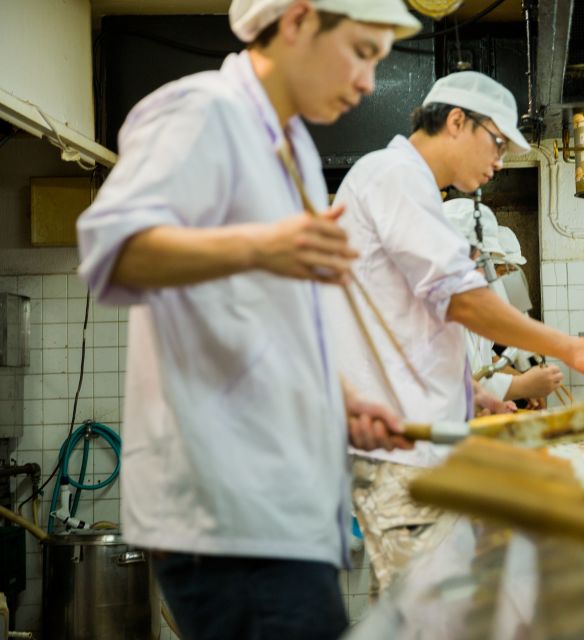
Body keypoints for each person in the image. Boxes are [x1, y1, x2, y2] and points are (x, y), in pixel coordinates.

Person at [75, 1, 421, 638]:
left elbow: (271, 323)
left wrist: (342, 400)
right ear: (295, 21)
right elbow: (110, 252)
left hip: (285, 506)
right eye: (362, 52)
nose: (371, 81)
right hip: (230, 511)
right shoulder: (203, 111)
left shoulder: (292, 153)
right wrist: (262, 245)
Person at [328, 70, 584, 594]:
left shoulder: (408, 185)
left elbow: (407, 321)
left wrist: (473, 391)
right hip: (402, 449)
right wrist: (569, 347)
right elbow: (460, 299)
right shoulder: (393, 176)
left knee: (433, 606)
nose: (500, 160)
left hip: (420, 444)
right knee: (427, 607)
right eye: (498, 142)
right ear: (457, 122)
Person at [442, 198, 563, 406]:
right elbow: (450, 386)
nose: (485, 274)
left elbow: (481, 365)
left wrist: (500, 399)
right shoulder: (435, 310)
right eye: (480, 262)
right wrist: (522, 385)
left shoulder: (472, 306)